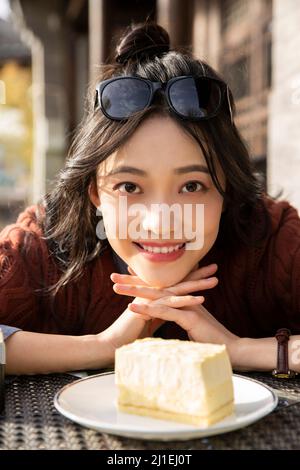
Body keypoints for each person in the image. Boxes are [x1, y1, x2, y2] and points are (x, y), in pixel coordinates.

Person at [0, 21, 299, 376]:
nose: (160, 222)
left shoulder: (273, 240)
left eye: (191, 186)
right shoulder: (45, 247)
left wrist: (238, 348)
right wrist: (103, 346)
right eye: (129, 187)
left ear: (227, 188)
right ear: (95, 192)